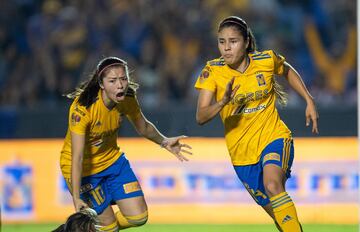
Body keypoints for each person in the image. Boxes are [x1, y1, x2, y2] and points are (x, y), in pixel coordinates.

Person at [194, 16, 318, 232]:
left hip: (274, 138)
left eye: (233, 41)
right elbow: (201, 116)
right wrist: (222, 102)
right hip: (242, 155)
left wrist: (308, 99)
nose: (226, 48)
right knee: (280, 218)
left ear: (246, 42)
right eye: (221, 41)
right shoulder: (212, 71)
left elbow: (286, 69)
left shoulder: (265, 61)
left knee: (273, 185)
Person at [60, 56, 192, 231]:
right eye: (112, 81)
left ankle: (94, 229)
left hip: (113, 162)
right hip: (84, 171)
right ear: (101, 84)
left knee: (139, 217)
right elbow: (76, 157)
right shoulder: (83, 108)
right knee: (109, 228)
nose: (120, 85)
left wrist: (165, 141)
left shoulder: (127, 98)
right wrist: (76, 198)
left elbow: (143, 126)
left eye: (123, 79)